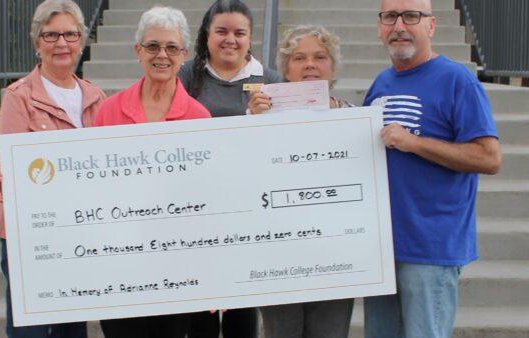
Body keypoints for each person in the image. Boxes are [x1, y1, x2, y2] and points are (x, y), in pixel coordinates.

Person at [363, 0, 502, 337]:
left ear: (431, 25)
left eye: (411, 16)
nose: (399, 26)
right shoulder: (382, 82)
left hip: (430, 247)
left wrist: (415, 143)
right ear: (380, 26)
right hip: (383, 246)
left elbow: (489, 158)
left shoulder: (457, 80)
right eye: (390, 17)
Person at [0, 0, 106, 337]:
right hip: (31, 240)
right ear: (37, 42)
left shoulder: (96, 97)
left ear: (81, 40)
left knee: (73, 329)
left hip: (78, 235)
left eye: (70, 34)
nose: (61, 43)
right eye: (51, 35)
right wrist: (3, 184)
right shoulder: (18, 96)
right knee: (31, 331)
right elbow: (9, 169)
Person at [93, 6, 210, 337]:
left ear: (184, 55)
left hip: (174, 265)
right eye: (153, 46)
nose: (162, 55)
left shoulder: (199, 118)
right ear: (137, 51)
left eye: (172, 48)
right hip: (120, 261)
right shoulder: (109, 111)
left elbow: (206, 198)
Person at [177, 1, 280, 337]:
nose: (230, 39)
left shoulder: (271, 81)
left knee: (242, 312)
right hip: (194, 214)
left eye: (240, 32)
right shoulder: (184, 74)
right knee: (199, 314)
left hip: (247, 213)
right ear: (207, 34)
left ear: (250, 38)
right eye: (221, 31)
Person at [247, 25, 354, 338]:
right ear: (286, 70)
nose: (310, 64)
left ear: (332, 68)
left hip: (336, 255)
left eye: (320, 57)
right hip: (279, 256)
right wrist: (251, 124)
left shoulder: (355, 117)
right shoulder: (260, 116)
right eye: (299, 57)